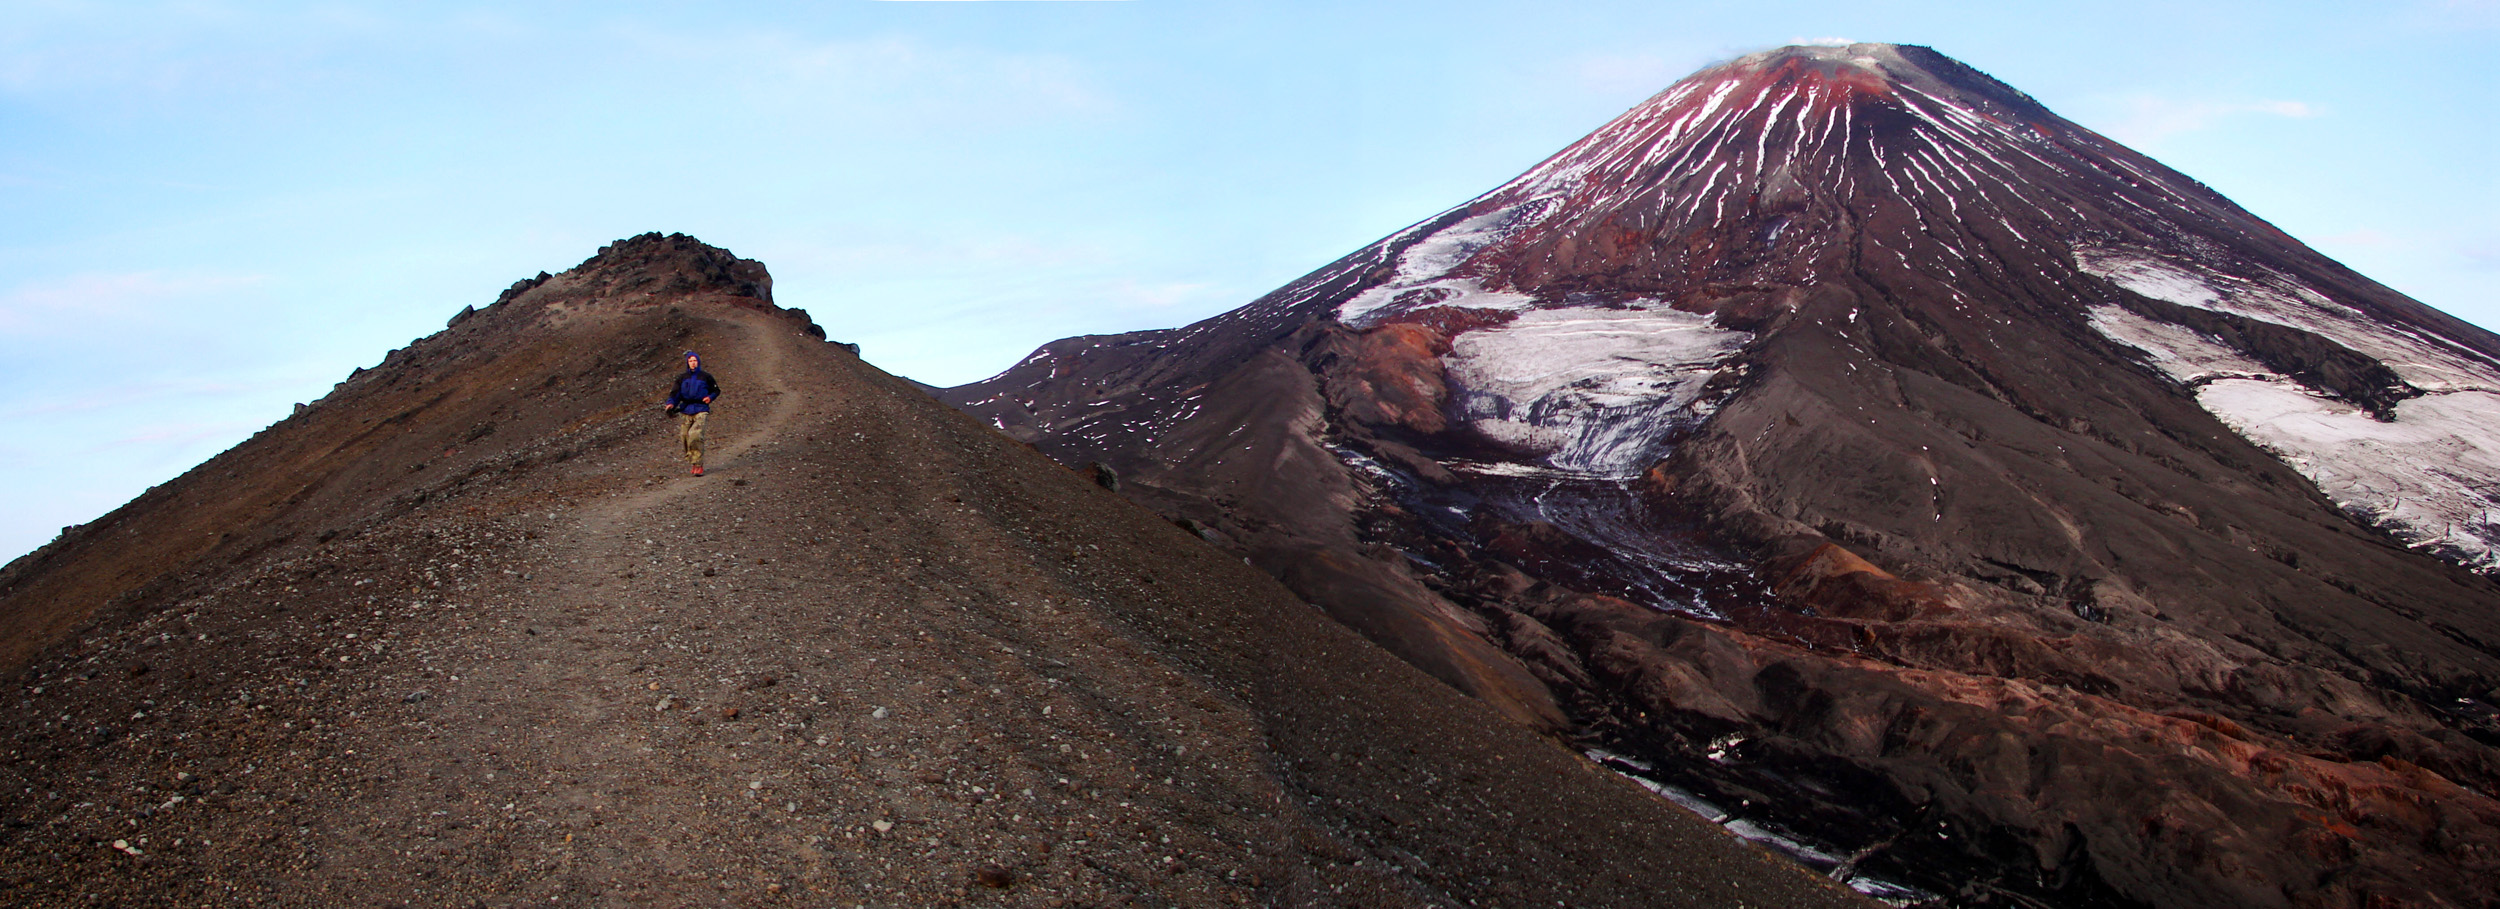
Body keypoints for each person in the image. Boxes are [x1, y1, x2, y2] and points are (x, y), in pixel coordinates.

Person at [662, 350, 721, 476]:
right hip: (686, 410)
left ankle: (698, 464)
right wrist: (671, 403)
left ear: (698, 362)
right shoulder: (682, 378)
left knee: (695, 435)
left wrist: (710, 397)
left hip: (701, 409)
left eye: (695, 361)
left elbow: (716, 390)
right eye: (690, 361)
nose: (693, 363)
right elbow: (675, 393)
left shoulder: (706, 376)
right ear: (687, 363)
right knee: (685, 436)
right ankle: (693, 462)